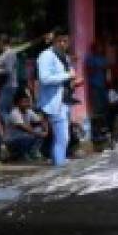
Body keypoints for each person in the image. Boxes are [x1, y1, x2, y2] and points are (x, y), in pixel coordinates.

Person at [37, 28, 78, 166]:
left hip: (65, 101)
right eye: (60, 40)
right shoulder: (46, 56)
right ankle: (60, 169)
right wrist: (67, 76)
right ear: (54, 40)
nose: (62, 44)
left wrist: (72, 81)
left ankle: (57, 165)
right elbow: (44, 78)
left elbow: (68, 77)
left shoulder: (64, 57)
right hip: (54, 102)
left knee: (60, 138)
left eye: (65, 41)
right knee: (63, 138)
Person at [4, 92, 46, 161]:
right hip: (12, 140)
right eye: (24, 102)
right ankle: (22, 155)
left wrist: (45, 130)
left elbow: (40, 121)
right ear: (17, 103)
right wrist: (39, 134)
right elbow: (23, 128)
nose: (27, 104)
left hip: (24, 137)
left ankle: (33, 153)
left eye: (28, 101)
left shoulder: (29, 111)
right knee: (31, 136)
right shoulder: (14, 113)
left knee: (39, 130)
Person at [84, 41, 110, 119]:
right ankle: (98, 123)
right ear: (94, 49)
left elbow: (108, 70)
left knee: (104, 104)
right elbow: (89, 71)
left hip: (103, 84)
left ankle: (105, 122)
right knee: (97, 105)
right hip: (94, 84)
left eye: (100, 48)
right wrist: (98, 67)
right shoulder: (90, 58)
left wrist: (108, 80)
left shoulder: (103, 58)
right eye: (98, 48)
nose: (100, 49)